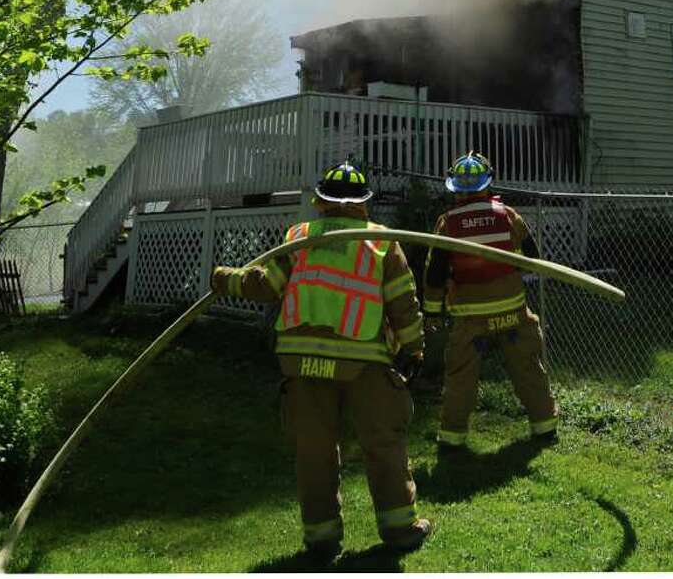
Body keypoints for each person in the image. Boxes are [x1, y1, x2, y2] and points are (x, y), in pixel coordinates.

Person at [210, 161, 431, 562]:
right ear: (364, 204)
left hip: (303, 364)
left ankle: (321, 540)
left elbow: (265, 285)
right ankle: (400, 530)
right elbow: (403, 301)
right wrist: (414, 348)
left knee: (314, 451)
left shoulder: (299, 238)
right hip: (364, 362)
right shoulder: (382, 241)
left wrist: (225, 278)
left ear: (321, 201)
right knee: (383, 443)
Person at [422, 151, 559, 450]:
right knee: (528, 368)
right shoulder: (508, 216)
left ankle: (452, 438)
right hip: (512, 311)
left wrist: (432, 313)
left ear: (455, 188)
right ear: (487, 183)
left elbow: (434, 274)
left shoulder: (447, 224)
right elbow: (531, 261)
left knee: (461, 377)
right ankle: (545, 426)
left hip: (471, 319)